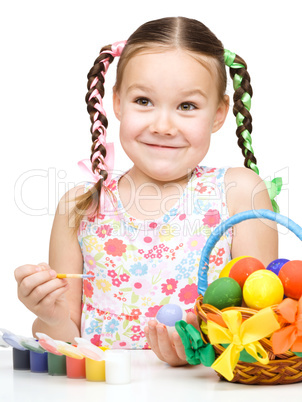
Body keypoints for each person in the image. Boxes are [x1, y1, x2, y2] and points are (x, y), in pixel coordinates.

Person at [14, 16, 278, 367]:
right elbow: (66, 343)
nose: (163, 126)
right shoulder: (79, 208)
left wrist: (201, 346)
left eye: (187, 106)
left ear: (218, 114)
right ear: (118, 103)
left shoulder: (239, 193)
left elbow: (263, 329)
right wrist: (49, 316)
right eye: (143, 101)